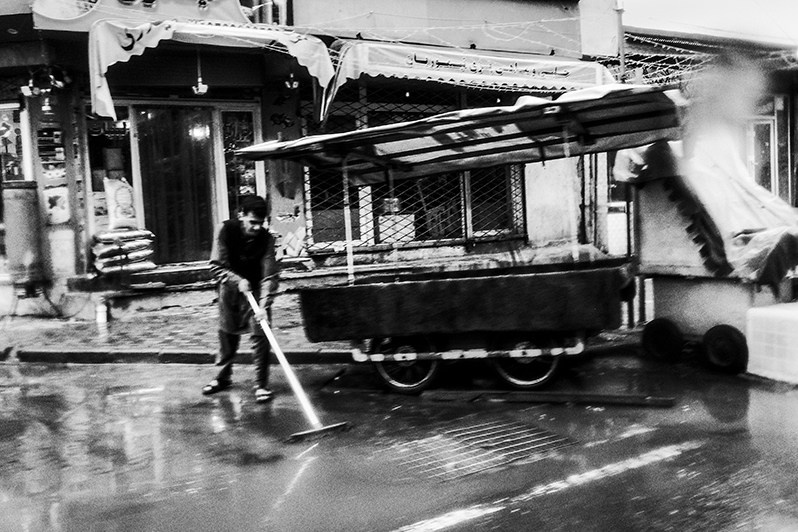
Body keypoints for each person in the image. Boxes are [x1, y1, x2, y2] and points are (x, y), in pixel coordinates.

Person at [202, 195, 280, 403]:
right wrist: (236, 280)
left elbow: (270, 275)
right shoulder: (225, 230)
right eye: (252, 222)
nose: (256, 228)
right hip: (229, 290)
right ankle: (222, 378)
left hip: (255, 291)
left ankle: (261, 385)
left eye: (260, 223)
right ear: (241, 216)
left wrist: (264, 305)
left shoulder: (266, 238)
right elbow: (216, 265)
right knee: (227, 335)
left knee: (261, 336)